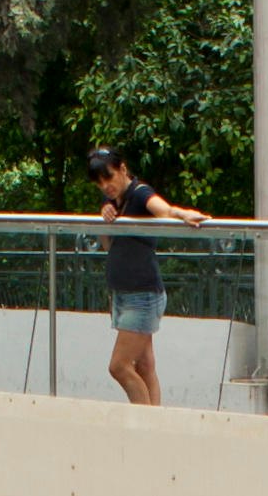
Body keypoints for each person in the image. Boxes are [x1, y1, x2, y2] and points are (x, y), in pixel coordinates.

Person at [88, 143, 214, 406]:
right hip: (123, 293)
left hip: (142, 295)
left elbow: (163, 209)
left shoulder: (139, 193)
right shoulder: (112, 201)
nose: (105, 186)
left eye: (109, 177)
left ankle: (145, 425)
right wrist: (104, 217)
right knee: (144, 366)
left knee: (119, 367)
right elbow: (108, 245)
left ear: (123, 170)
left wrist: (181, 214)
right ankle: (156, 425)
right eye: (99, 182)